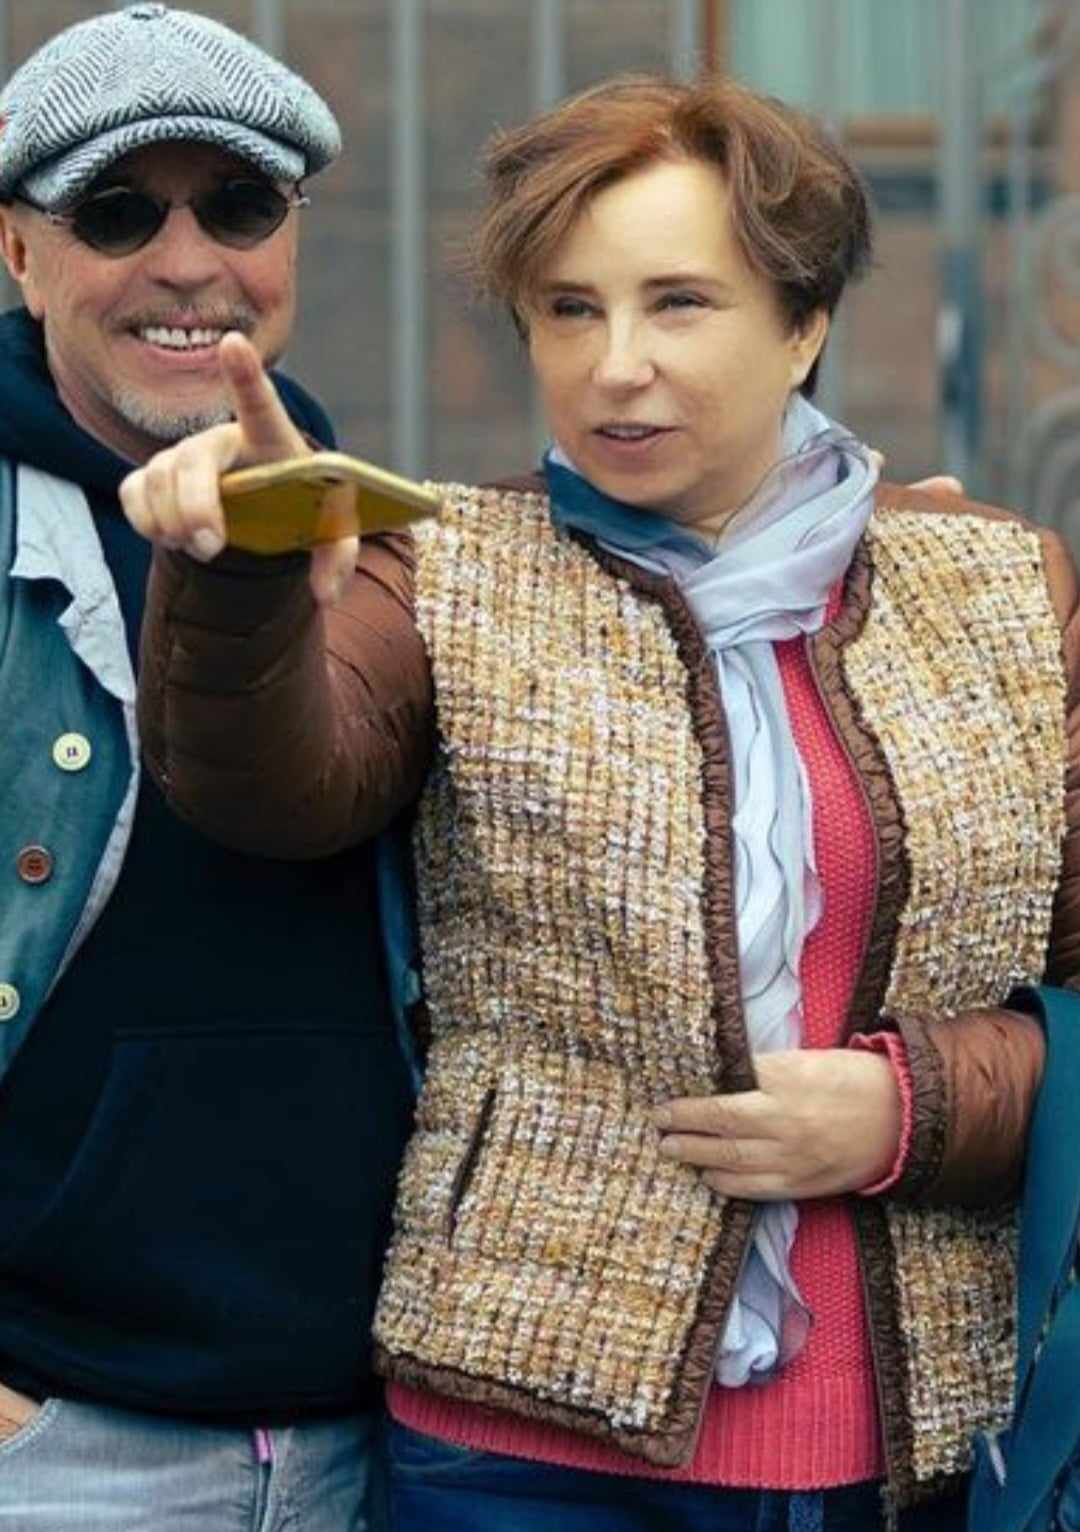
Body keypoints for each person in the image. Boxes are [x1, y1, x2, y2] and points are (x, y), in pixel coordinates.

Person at [120, 74, 1080, 1532]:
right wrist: (241, 571)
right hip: (520, 1450)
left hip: (920, 1454)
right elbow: (269, 787)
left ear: (803, 323)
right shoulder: (447, 566)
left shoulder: (1004, 587)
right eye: (570, 310)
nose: (616, 366)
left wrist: (917, 1107)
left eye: (678, 303)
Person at [0, 6, 428, 1528]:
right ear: (17, 252)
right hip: (59, 1451)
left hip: (375, 1445)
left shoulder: (377, 533)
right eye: (119, 213)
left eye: (237, 205)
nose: (188, 263)